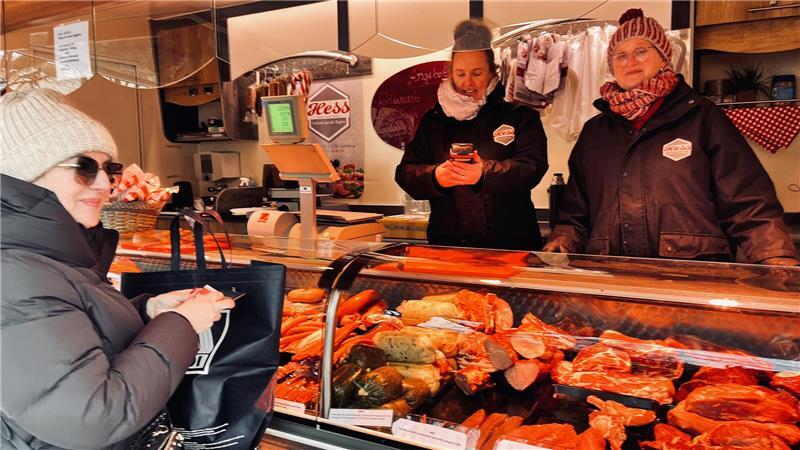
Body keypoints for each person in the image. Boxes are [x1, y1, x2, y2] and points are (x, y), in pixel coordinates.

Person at [1, 88, 236, 449]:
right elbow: (91, 418)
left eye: (109, 169)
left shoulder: (44, 256)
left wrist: (148, 312)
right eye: (84, 168)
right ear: (25, 175)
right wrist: (181, 324)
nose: (105, 185)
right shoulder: (16, 272)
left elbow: (67, 334)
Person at [544, 9, 798, 265]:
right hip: (613, 275)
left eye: (641, 51)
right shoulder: (594, 132)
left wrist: (775, 256)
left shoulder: (702, 117)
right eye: (620, 55)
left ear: (664, 59)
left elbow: (747, 200)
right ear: (612, 66)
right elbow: (575, 212)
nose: (630, 61)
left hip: (692, 273)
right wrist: (564, 239)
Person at [395, 19, 548, 250]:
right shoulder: (433, 120)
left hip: (511, 245)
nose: (468, 82)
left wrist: (484, 173)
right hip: (449, 247)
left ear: (492, 71)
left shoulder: (519, 115)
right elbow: (405, 173)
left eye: (477, 73)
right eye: (460, 73)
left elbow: (532, 167)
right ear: (450, 73)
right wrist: (435, 176)